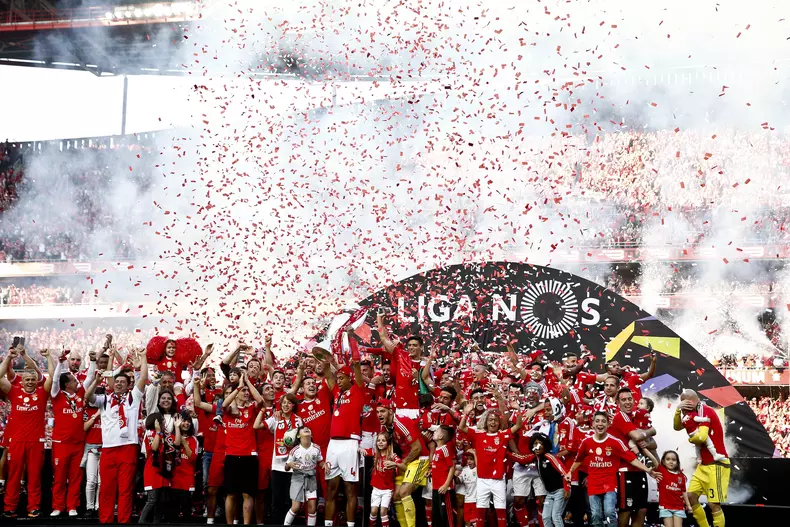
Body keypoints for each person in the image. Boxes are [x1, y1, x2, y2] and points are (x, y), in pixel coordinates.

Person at [85, 347, 148, 524]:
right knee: (107, 488)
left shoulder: (133, 398)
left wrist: (143, 358)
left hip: (128, 448)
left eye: (123, 382)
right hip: (108, 449)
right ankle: (105, 521)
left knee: (125, 489)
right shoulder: (105, 399)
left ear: (128, 385)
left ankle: (123, 522)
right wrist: (96, 381)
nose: (119, 384)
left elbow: (143, 378)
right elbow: (88, 397)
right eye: (117, 381)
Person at [565, 412, 661, 527]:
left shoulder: (615, 442)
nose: (600, 424)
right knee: (595, 515)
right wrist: (570, 472)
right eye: (597, 421)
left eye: (603, 421)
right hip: (593, 484)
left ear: (608, 425)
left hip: (610, 484)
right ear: (593, 424)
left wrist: (648, 470)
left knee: (609, 512)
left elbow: (632, 459)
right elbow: (578, 460)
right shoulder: (586, 442)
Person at [0, 345, 53, 518]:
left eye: (32, 379)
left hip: (36, 442)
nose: (30, 382)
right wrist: (9, 357)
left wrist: (49, 357)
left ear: (36, 380)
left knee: (35, 477)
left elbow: (52, 377)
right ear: (21, 381)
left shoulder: (42, 393)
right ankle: (9, 508)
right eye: (27, 379)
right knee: (14, 475)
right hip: (16, 441)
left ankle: (33, 507)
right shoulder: (14, 392)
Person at [457, 404, 522, 527]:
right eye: (490, 420)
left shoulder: (503, 435)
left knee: (500, 511)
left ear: (499, 423)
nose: (493, 423)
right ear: (486, 422)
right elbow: (462, 427)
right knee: (480, 511)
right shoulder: (478, 434)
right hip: (482, 479)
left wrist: (518, 410)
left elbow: (518, 425)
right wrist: (466, 413)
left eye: (495, 420)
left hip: (498, 479)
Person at [674, 390, 730, 527]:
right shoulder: (689, 412)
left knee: (713, 504)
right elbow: (677, 427)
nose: (683, 407)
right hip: (703, 465)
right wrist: (677, 410)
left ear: (691, 402)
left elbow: (702, 437)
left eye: (684, 404)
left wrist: (690, 439)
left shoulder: (705, 411)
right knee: (691, 497)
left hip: (716, 464)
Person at [50, 349, 93, 517]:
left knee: (76, 476)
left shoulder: (80, 393)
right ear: (67, 384)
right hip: (61, 443)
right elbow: (55, 380)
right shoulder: (57, 395)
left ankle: (72, 506)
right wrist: (61, 362)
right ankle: (57, 506)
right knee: (60, 477)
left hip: (78, 443)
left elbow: (90, 377)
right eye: (74, 380)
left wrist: (93, 361)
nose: (77, 382)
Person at [325, 360, 366, 527]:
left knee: (350, 489)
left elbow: (358, 375)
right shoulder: (337, 393)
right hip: (333, 444)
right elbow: (328, 375)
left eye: (342, 378)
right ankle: (328, 524)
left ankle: (350, 525)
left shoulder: (358, 390)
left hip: (350, 443)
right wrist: (325, 360)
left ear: (350, 379)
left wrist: (355, 364)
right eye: (338, 379)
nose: (339, 381)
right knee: (331, 489)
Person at [223, 373, 263, 525]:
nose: (246, 393)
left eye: (247, 391)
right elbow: (224, 404)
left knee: (248, 494)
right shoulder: (229, 410)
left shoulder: (251, 408)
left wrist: (247, 382)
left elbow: (260, 400)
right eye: (243, 391)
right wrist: (239, 386)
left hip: (249, 456)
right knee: (231, 494)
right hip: (232, 455)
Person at [256, 392, 304, 522]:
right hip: (277, 465)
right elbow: (256, 426)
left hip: (293, 466)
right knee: (277, 501)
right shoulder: (275, 418)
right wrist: (262, 410)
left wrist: (293, 441)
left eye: (289, 403)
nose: (286, 405)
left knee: (289, 501)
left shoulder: (298, 420)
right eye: (284, 403)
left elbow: (302, 442)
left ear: (293, 405)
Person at [524, 433, 571, 527]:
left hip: (560, 491)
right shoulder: (535, 458)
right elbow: (521, 459)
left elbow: (564, 472)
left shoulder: (550, 457)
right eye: (535, 443)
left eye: (540, 443)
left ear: (545, 445)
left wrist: (567, 487)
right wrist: (507, 452)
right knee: (545, 517)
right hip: (549, 493)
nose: (537, 446)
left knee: (556, 516)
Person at [283, 425, 324, 526]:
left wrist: (325, 465)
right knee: (296, 507)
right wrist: (289, 464)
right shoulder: (295, 450)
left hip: (311, 478)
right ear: (298, 436)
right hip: (298, 478)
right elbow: (286, 467)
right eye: (303, 429)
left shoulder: (316, 448)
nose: (306, 429)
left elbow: (320, 462)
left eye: (308, 429)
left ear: (311, 434)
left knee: (312, 508)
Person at [365, 431, 403, 527]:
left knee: (383, 512)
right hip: (376, 488)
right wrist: (359, 448)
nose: (380, 442)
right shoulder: (375, 454)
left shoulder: (392, 456)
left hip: (387, 490)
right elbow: (365, 451)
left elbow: (403, 466)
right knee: (373, 511)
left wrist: (395, 464)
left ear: (388, 443)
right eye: (378, 440)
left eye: (383, 440)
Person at [171, 410, 198, 520]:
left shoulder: (194, 439)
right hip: (174, 479)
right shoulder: (172, 437)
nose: (186, 423)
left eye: (188, 421)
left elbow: (193, 458)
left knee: (187, 511)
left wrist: (185, 444)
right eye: (184, 421)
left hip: (187, 479)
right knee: (173, 512)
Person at [656, 451, 692, 527]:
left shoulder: (681, 476)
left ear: (677, 462)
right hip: (665, 507)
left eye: (673, 459)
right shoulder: (662, 471)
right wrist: (643, 447)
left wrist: (688, 505)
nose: (671, 462)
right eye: (668, 459)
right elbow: (653, 458)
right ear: (663, 461)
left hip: (679, 508)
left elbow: (684, 492)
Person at [431, 425, 457, 527]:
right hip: (435, 488)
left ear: (441, 436)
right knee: (437, 516)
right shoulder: (436, 449)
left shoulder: (445, 450)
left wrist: (446, 485)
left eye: (436, 431)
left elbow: (451, 468)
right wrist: (430, 472)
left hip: (444, 489)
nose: (434, 432)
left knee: (447, 516)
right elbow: (440, 467)